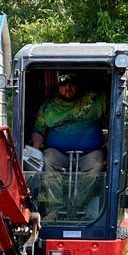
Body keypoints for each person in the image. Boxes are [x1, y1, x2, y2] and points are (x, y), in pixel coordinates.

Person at [30, 73, 106, 219]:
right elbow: (38, 130)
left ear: (78, 85)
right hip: (58, 153)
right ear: (58, 87)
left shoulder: (96, 100)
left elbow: (112, 119)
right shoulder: (48, 107)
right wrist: (36, 147)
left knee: (96, 165)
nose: (68, 88)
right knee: (47, 159)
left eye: (72, 84)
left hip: (89, 152)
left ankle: (76, 208)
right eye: (64, 85)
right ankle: (55, 210)